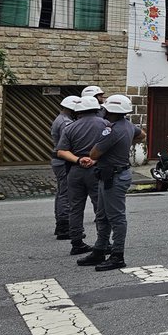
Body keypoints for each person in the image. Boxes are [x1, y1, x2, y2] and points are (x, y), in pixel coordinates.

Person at [75, 95, 143, 271]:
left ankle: (117, 255)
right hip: (111, 175)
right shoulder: (128, 126)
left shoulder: (112, 131)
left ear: (110, 111)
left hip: (114, 177)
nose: (102, 110)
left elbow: (93, 154)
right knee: (102, 215)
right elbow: (142, 135)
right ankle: (100, 249)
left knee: (116, 217)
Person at [56, 96, 108, 259]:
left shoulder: (70, 127)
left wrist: (79, 160)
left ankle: (77, 243)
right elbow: (110, 147)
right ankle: (104, 243)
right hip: (96, 170)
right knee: (100, 207)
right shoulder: (105, 125)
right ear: (96, 109)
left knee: (75, 208)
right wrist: (94, 159)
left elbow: (61, 151)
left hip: (75, 171)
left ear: (78, 111)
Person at [50, 96, 80, 240]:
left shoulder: (61, 119)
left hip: (59, 161)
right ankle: (64, 227)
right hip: (63, 161)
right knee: (66, 194)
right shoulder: (65, 123)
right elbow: (68, 143)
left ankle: (61, 224)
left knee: (62, 192)